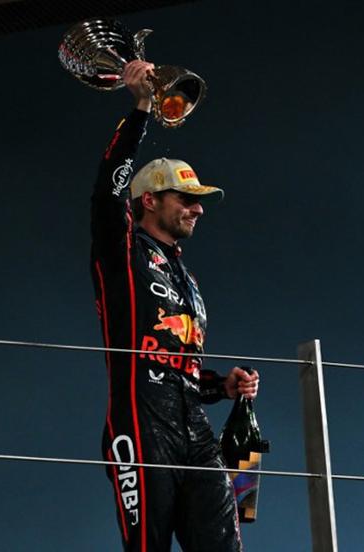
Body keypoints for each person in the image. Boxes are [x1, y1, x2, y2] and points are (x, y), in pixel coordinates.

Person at [90, 59, 260, 552]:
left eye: (198, 199)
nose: (198, 208)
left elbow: (178, 369)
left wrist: (222, 386)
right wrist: (142, 108)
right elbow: (107, 192)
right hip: (141, 425)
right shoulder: (123, 252)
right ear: (148, 201)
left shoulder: (188, 278)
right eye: (184, 197)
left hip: (196, 432)